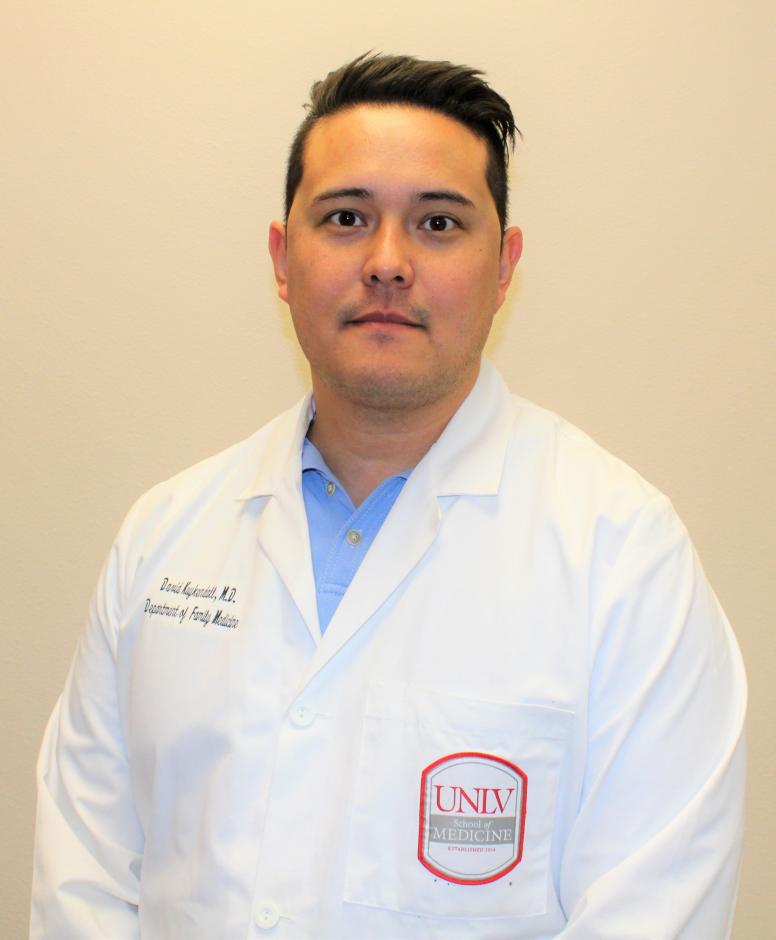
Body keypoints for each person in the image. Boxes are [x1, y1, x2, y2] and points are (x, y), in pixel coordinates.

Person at [31, 53, 746, 938]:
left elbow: (655, 913)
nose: (387, 262)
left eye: (439, 223)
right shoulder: (164, 536)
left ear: (505, 266)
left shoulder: (624, 556)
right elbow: (84, 882)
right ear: (282, 258)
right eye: (346, 217)